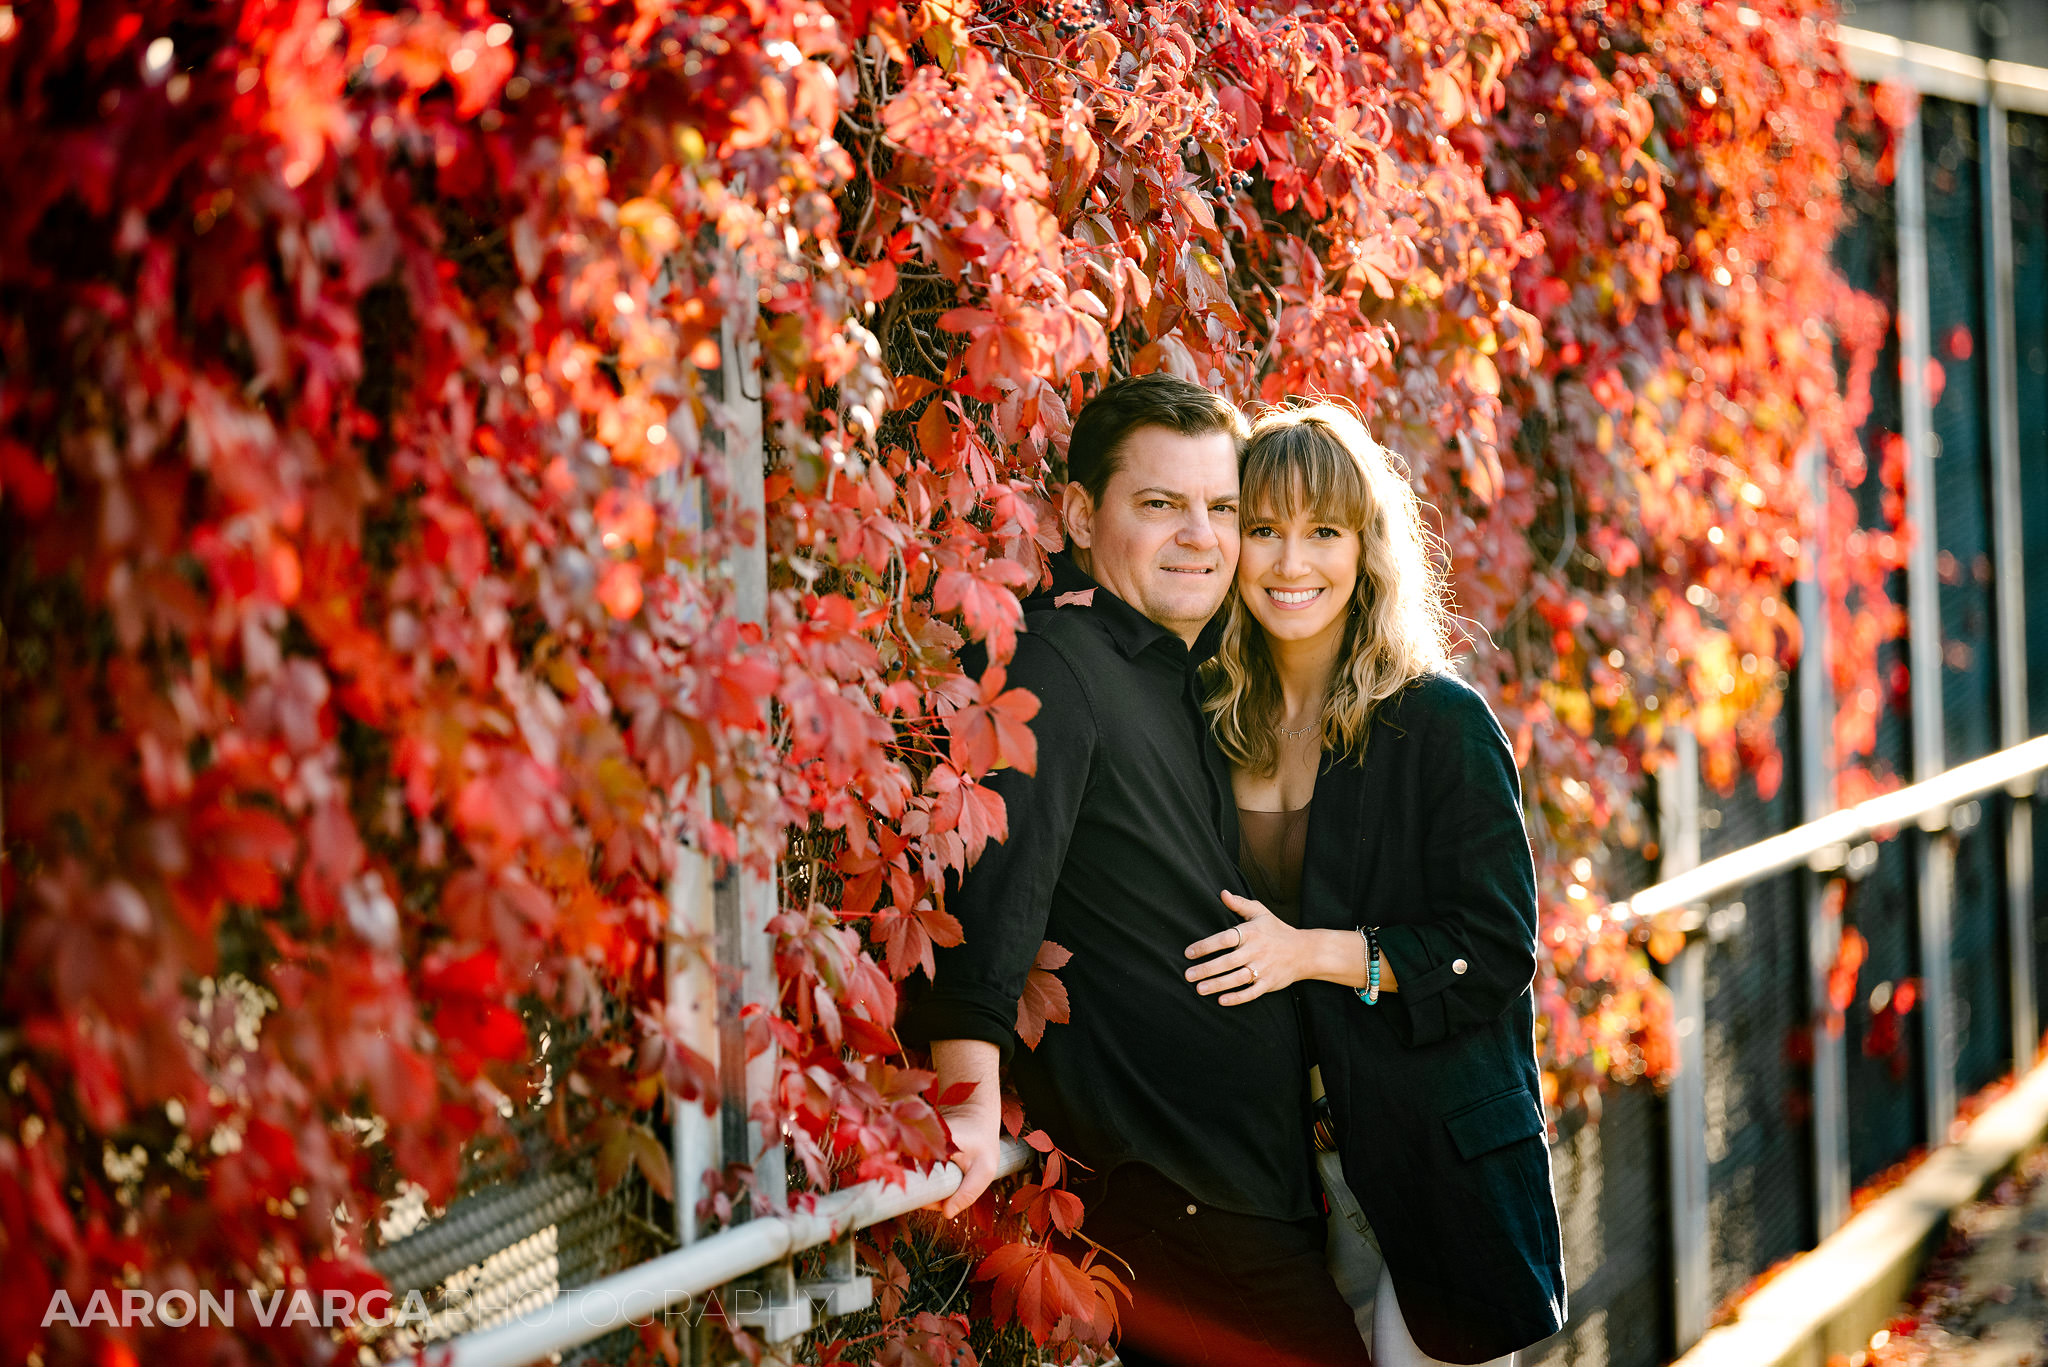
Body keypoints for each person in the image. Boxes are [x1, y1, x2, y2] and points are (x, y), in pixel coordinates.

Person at [904, 374, 1373, 1367]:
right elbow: (992, 891)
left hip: (1261, 1196)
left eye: (1221, 508)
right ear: (1080, 512)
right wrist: (966, 1107)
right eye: (1160, 504)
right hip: (1182, 1210)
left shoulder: (1193, 679)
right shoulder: (1058, 667)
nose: (1199, 535)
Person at [1182, 402, 1567, 1366]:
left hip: (1435, 1162)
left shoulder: (1437, 722)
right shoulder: (1211, 722)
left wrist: (1305, 953)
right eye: (1263, 529)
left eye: (1322, 531)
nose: (1289, 561)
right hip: (1280, 1174)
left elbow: (1496, 947)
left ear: (1367, 548)